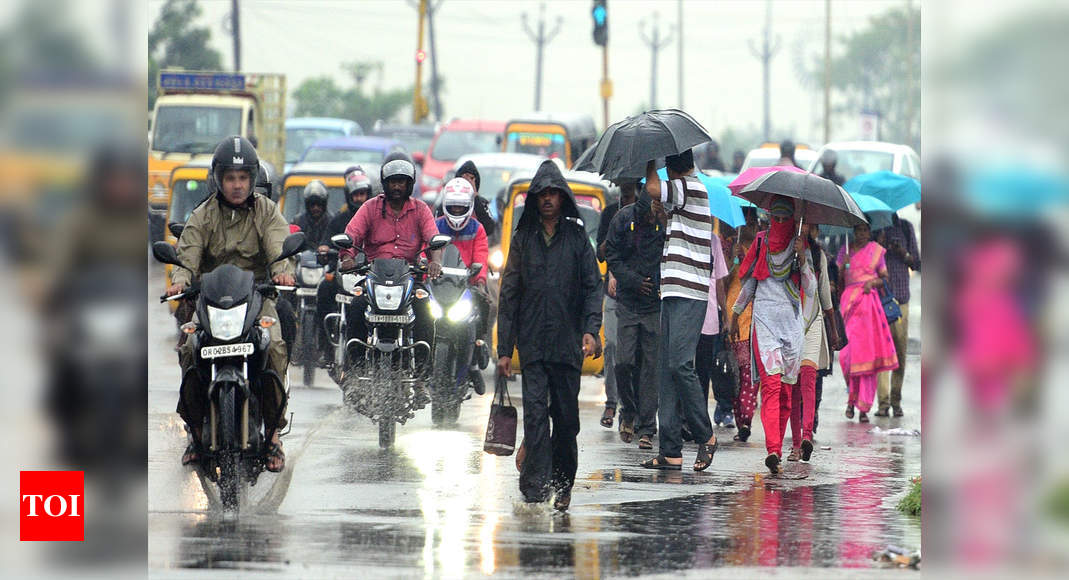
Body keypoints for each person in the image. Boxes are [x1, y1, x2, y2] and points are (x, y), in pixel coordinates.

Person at [166, 136, 295, 472]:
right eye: (230, 178)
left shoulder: (266, 212)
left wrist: (282, 272)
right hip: (210, 301)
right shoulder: (203, 214)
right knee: (189, 350)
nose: (237, 186)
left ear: (252, 179)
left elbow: (279, 246)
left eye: (243, 178)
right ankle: (195, 433)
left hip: (256, 298)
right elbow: (188, 252)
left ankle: (274, 438)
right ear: (218, 179)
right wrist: (180, 279)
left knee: (276, 346)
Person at [497, 159, 602, 511]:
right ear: (535, 199)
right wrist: (504, 349)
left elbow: (592, 286)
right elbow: (509, 293)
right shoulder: (523, 240)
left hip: (567, 345)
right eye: (542, 193)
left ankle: (563, 482)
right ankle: (535, 487)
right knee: (537, 416)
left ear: (563, 198)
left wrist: (590, 329)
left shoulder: (576, 238)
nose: (548, 199)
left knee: (567, 420)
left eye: (554, 193)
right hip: (533, 346)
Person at [639, 150, 719, 472]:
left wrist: (649, 161)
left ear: (671, 168)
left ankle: (706, 435)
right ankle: (670, 450)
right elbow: (675, 228)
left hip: (689, 291)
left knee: (681, 364)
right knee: (666, 370)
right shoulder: (683, 195)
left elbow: (653, 188)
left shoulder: (692, 187)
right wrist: (662, 215)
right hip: (671, 289)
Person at [726, 196, 815, 474]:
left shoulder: (801, 246)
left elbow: (810, 287)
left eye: (783, 218)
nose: (778, 223)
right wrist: (735, 316)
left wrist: (802, 257)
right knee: (772, 387)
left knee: (787, 392)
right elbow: (750, 283)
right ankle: (773, 449)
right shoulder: (761, 243)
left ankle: (779, 446)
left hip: (791, 325)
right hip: (764, 323)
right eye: (774, 217)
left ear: (792, 219)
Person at [341, 152, 443, 366]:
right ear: (385, 183)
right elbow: (351, 235)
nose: (397, 187)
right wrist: (347, 257)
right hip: (373, 278)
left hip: (410, 279)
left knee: (426, 311)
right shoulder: (369, 207)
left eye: (402, 182)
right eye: (393, 182)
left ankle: (423, 374)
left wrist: (435, 261)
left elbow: (434, 238)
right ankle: (354, 369)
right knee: (356, 307)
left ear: (410, 184)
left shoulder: (421, 210)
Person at [604, 179, 663, 449]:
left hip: (653, 304)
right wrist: (631, 279)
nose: (653, 215)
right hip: (628, 301)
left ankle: (647, 427)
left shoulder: (664, 223)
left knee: (650, 367)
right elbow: (611, 256)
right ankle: (628, 410)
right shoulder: (622, 219)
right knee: (623, 362)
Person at [836, 221, 898, 422]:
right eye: (857, 229)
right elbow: (839, 281)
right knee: (848, 356)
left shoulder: (876, 251)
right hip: (849, 307)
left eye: (864, 230)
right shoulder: (844, 250)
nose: (861, 234)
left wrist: (872, 282)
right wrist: (843, 265)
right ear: (853, 231)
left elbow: (884, 278)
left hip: (869, 308)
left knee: (866, 357)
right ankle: (851, 400)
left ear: (869, 232)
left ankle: (861, 407)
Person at [787, 224, 839, 462]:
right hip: (788, 323)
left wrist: (833, 328)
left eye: (812, 225)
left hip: (813, 322)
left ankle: (806, 435)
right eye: (804, 222)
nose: (807, 227)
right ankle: (795, 444)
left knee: (808, 380)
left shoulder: (818, 255)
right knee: (793, 387)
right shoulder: (781, 250)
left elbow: (822, 293)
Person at [435, 177, 493, 390]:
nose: (457, 211)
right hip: (438, 285)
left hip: (466, 285)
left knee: (484, 304)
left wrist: (479, 279)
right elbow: (427, 249)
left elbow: (482, 256)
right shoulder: (436, 225)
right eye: (453, 207)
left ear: (469, 206)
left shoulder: (477, 229)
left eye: (461, 207)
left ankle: (476, 356)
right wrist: (424, 272)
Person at [595, 179, 638, 430]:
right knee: (611, 344)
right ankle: (611, 402)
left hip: (636, 293)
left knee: (631, 353)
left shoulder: (646, 211)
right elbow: (601, 253)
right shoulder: (610, 212)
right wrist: (613, 230)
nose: (626, 186)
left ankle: (629, 406)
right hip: (612, 291)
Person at [874, 215, 919, 416]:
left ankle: (896, 400)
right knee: (882, 353)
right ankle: (883, 404)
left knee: (900, 352)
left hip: (901, 301)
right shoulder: (873, 230)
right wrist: (880, 245)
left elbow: (918, 263)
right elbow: (866, 263)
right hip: (879, 301)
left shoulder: (906, 228)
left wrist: (903, 253)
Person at [695, 226, 732, 429]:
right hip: (685, 317)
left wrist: (725, 316)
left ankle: (698, 419)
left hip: (709, 316)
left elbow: (718, 282)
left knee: (703, 372)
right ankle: (685, 417)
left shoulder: (713, 241)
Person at [727, 226, 758, 442]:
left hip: (750, 317)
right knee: (733, 375)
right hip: (731, 316)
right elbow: (724, 280)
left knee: (748, 373)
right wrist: (734, 261)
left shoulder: (758, 250)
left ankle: (746, 419)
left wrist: (746, 258)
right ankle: (740, 422)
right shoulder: (730, 248)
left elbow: (756, 277)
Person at [455, 160, 499, 242]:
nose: (468, 182)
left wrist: (474, 197)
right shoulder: (447, 202)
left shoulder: (482, 203)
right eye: (464, 178)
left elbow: (489, 228)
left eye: (471, 178)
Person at [328, 166, 372, 237]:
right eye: (355, 194)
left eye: (362, 194)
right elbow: (327, 241)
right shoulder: (339, 219)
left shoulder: (377, 216)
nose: (359, 198)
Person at [292, 180, 333, 250]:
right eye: (312, 204)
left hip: (328, 260)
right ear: (307, 205)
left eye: (319, 204)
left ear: (324, 204)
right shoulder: (297, 222)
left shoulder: (332, 223)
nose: (315, 208)